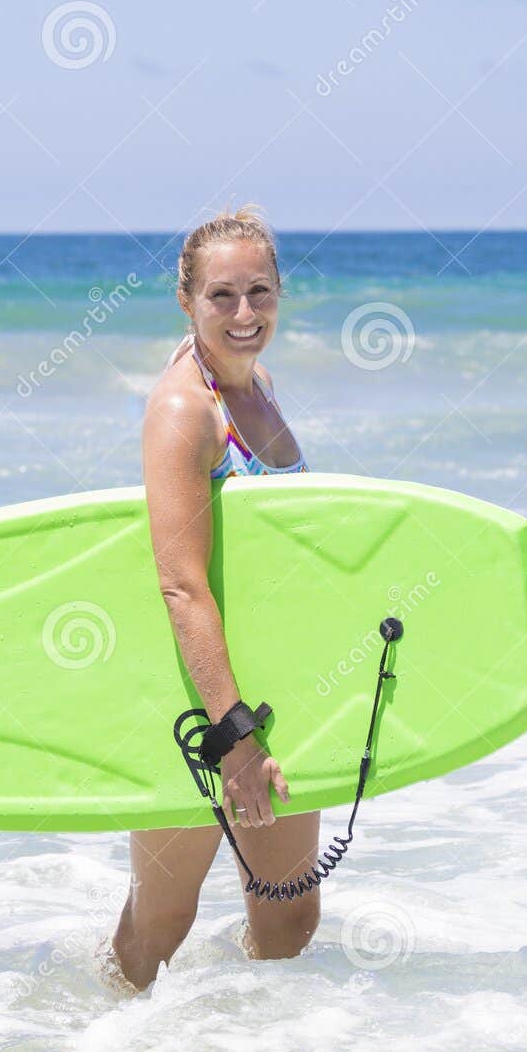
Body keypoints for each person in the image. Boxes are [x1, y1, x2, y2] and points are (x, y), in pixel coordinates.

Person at [107, 205, 321, 991]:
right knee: (164, 921)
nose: (243, 314)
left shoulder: (258, 384)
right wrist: (234, 739)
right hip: (197, 704)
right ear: (186, 301)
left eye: (259, 293)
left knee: (288, 914)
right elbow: (180, 581)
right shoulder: (181, 411)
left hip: (273, 691)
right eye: (220, 296)